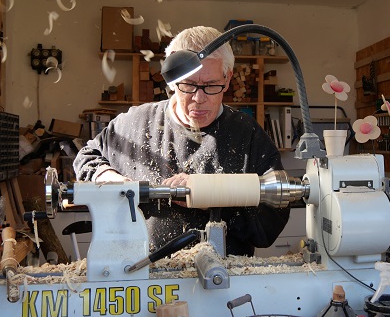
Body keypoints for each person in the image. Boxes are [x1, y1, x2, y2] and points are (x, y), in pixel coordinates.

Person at [74, 26, 289, 256]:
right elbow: (86, 157)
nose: (199, 98)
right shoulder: (134, 124)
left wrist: (213, 198)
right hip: (143, 275)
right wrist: (108, 178)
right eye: (188, 85)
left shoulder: (248, 137)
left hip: (224, 280)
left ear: (227, 80)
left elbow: (270, 224)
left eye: (211, 86)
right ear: (171, 79)